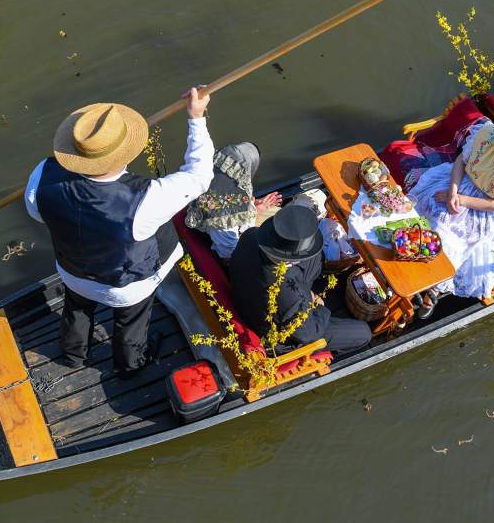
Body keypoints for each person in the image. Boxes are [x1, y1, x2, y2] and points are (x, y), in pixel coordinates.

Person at [25, 88, 213, 378]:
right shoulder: (146, 198)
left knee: (77, 306)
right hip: (125, 286)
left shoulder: (43, 171)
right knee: (131, 321)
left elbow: (37, 213)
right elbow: (199, 176)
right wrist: (196, 118)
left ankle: (73, 354)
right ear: (124, 154)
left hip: (71, 271)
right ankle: (130, 365)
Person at [408, 108, 494, 311]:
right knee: (431, 212)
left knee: (452, 236)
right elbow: (460, 162)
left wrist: (461, 200)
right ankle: (409, 255)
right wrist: (453, 191)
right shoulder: (487, 133)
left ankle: (434, 285)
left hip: (483, 208)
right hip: (459, 180)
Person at [229, 203, 371, 356]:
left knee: (316, 257)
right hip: (279, 335)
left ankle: (326, 274)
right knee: (364, 333)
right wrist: (319, 307)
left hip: (256, 287)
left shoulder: (251, 236)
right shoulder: (287, 296)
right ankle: (327, 354)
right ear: (292, 259)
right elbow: (308, 334)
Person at [184, 142, 282, 262]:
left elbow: (227, 196)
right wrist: (254, 213)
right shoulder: (223, 218)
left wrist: (251, 207)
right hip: (222, 247)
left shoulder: (213, 172)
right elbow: (232, 255)